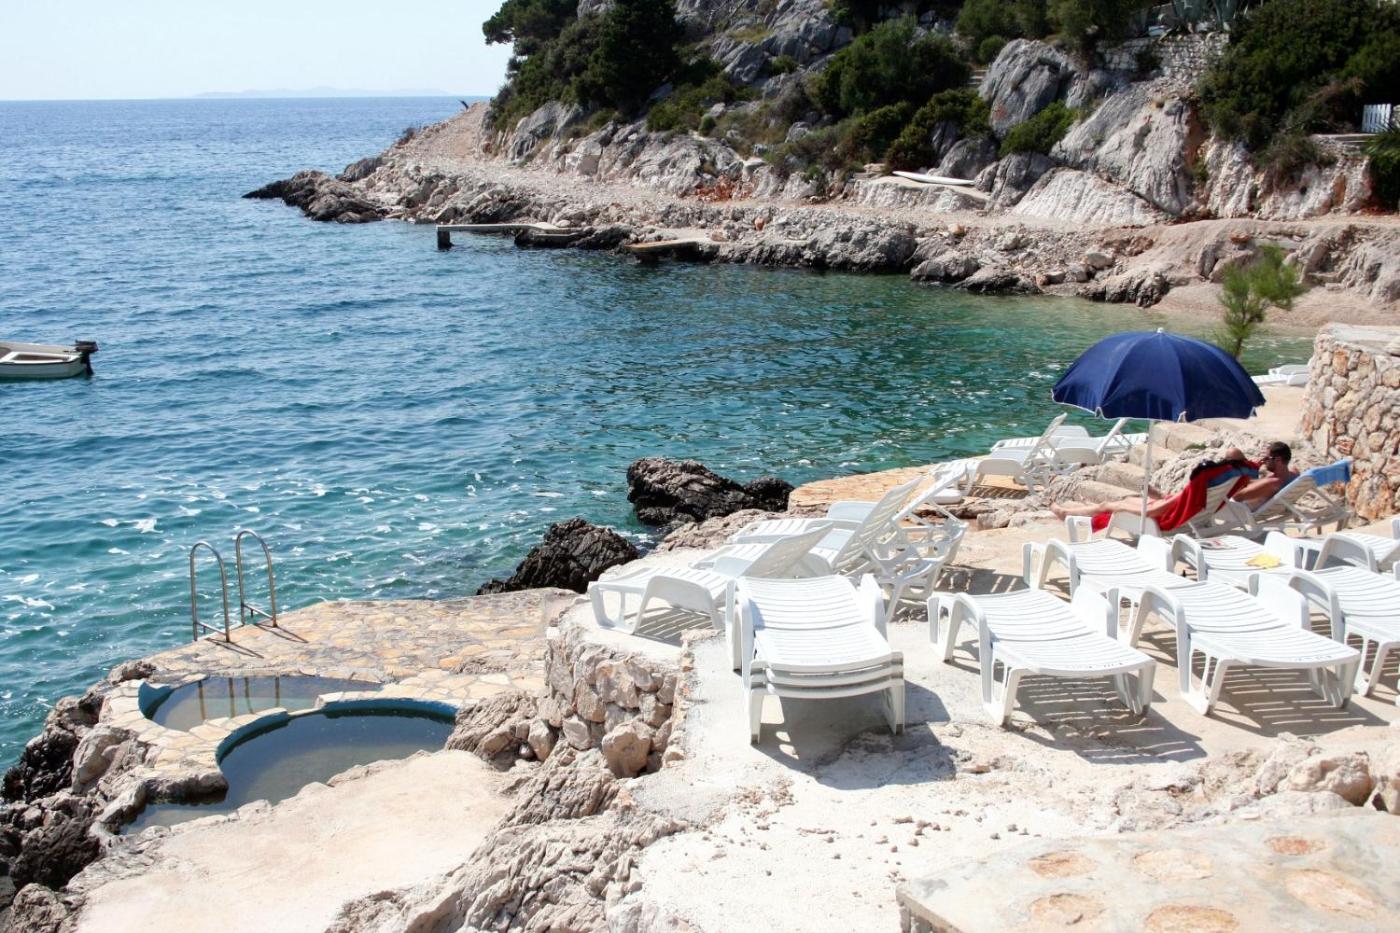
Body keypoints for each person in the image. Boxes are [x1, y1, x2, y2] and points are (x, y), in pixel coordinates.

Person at [1050, 447, 1261, 531]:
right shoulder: (1231, 479)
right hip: (1186, 513)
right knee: (1124, 500)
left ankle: (1067, 514)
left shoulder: (1199, 486)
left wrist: (1121, 508)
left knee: (1109, 505)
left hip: (1165, 519)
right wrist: (1158, 496)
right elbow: (1176, 501)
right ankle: (1076, 513)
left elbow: (1154, 511)